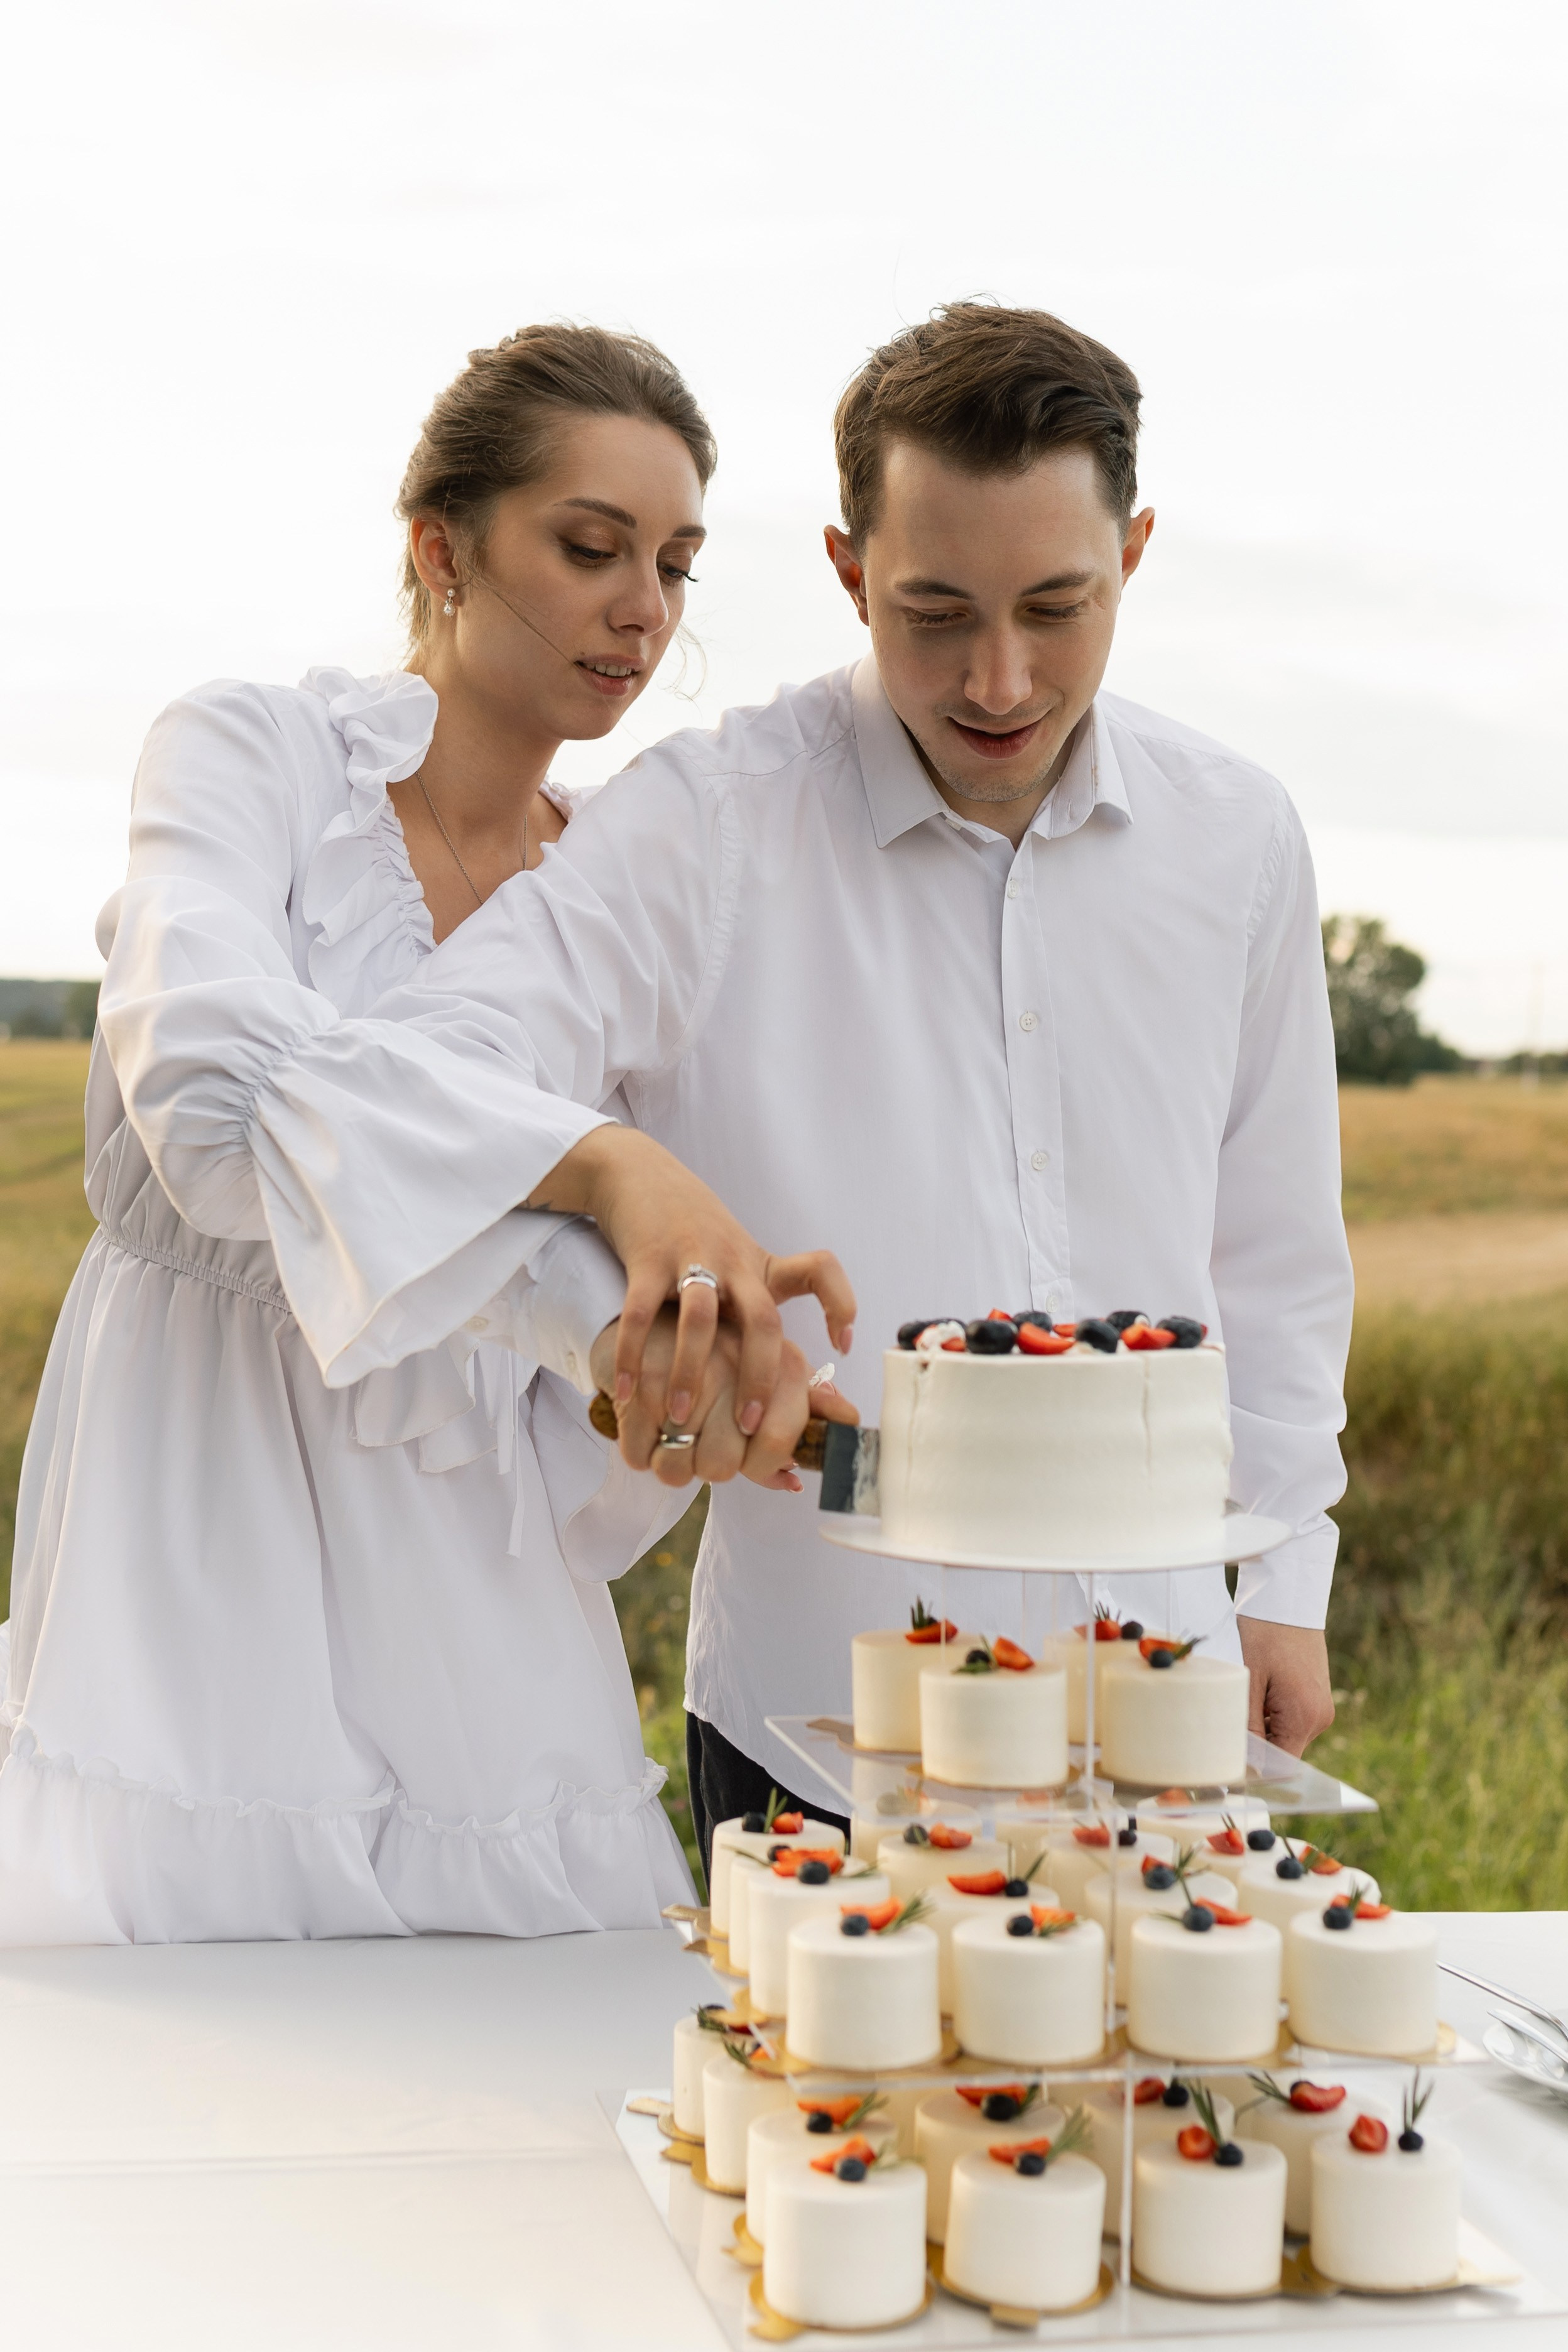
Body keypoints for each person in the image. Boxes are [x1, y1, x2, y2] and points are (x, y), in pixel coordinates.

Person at [390, 303, 1355, 1883]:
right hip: (818, 1727)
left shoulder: (1240, 838)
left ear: (1135, 556)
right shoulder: (704, 825)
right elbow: (426, 1079)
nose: (1000, 676)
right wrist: (629, 1247)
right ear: (849, 572)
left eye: (1058, 607)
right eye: (935, 612)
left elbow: (1279, 1251)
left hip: (1166, 1702)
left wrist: (1288, 1579)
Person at [0, 324, 854, 1946]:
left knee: (528, 2046)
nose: (645, 609)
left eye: (675, 565)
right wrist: (599, 1167)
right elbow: (212, 1103)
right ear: (440, 548)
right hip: (196, 1521)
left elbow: (554, 1375)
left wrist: (675, 1358)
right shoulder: (250, 754)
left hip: (476, 1595)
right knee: (189, 2032)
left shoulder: (615, 890)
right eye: (591, 547)